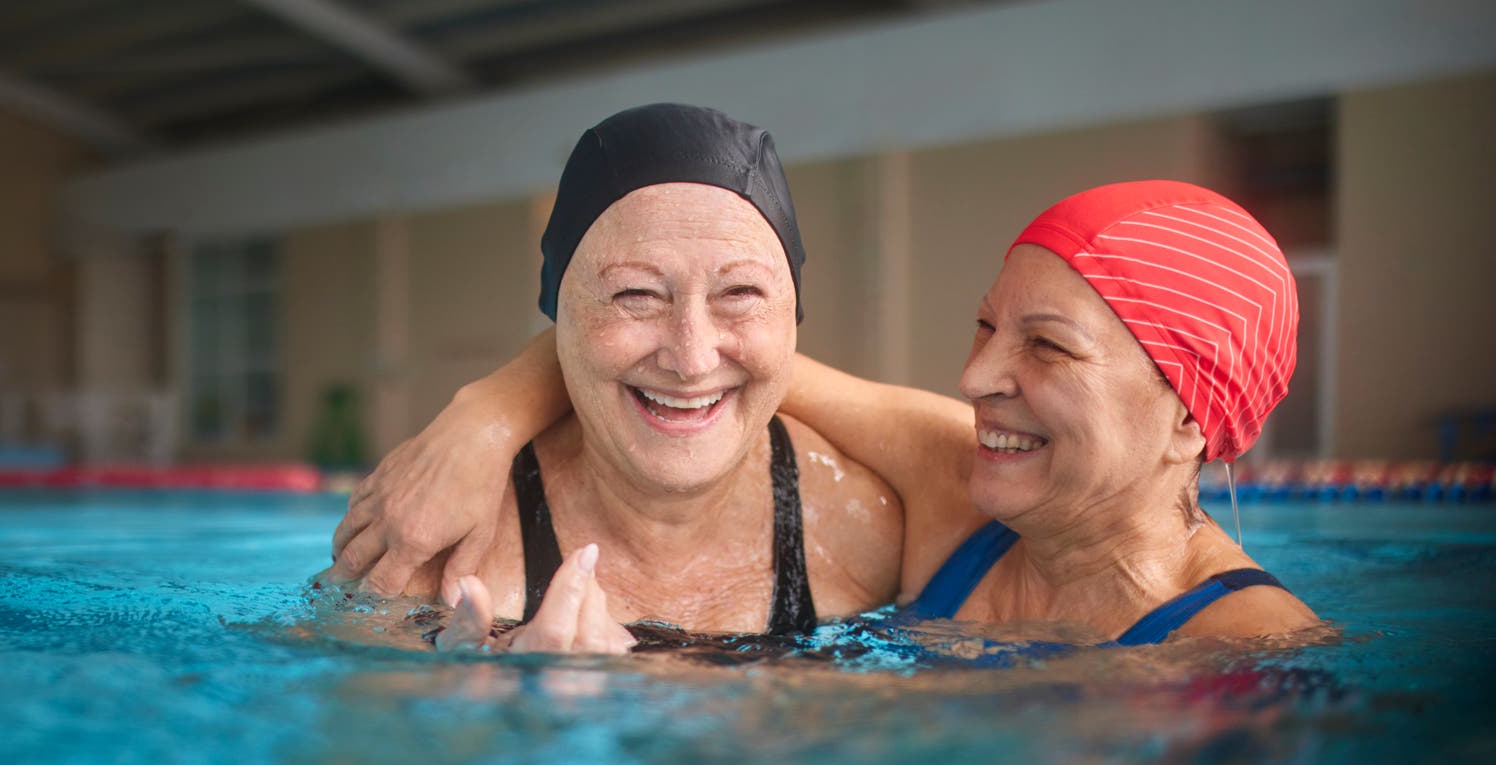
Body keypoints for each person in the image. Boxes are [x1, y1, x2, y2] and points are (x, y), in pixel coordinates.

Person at [333, 180, 1319, 649]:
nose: (975, 375)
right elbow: (727, 361)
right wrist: (484, 412)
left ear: (1191, 418)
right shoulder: (955, 483)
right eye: (984, 326)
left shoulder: (1252, 651)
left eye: (1044, 346)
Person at [323, 103, 907, 653]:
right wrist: (472, 711)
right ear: (559, 318)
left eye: (740, 294)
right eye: (636, 295)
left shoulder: (866, 533)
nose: (692, 358)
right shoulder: (442, 547)